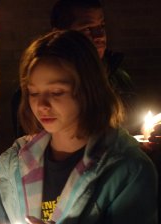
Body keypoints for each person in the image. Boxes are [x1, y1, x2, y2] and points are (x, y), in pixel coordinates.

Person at [0, 30, 158, 224]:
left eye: (57, 92)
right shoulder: (17, 161)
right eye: (33, 92)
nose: (42, 104)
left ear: (89, 89)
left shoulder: (126, 170)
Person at [11, 0, 136, 138]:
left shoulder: (119, 78)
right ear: (60, 35)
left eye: (101, 26)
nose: (99, 35)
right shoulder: (32, 96)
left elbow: (132, 131)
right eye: (87, 29)